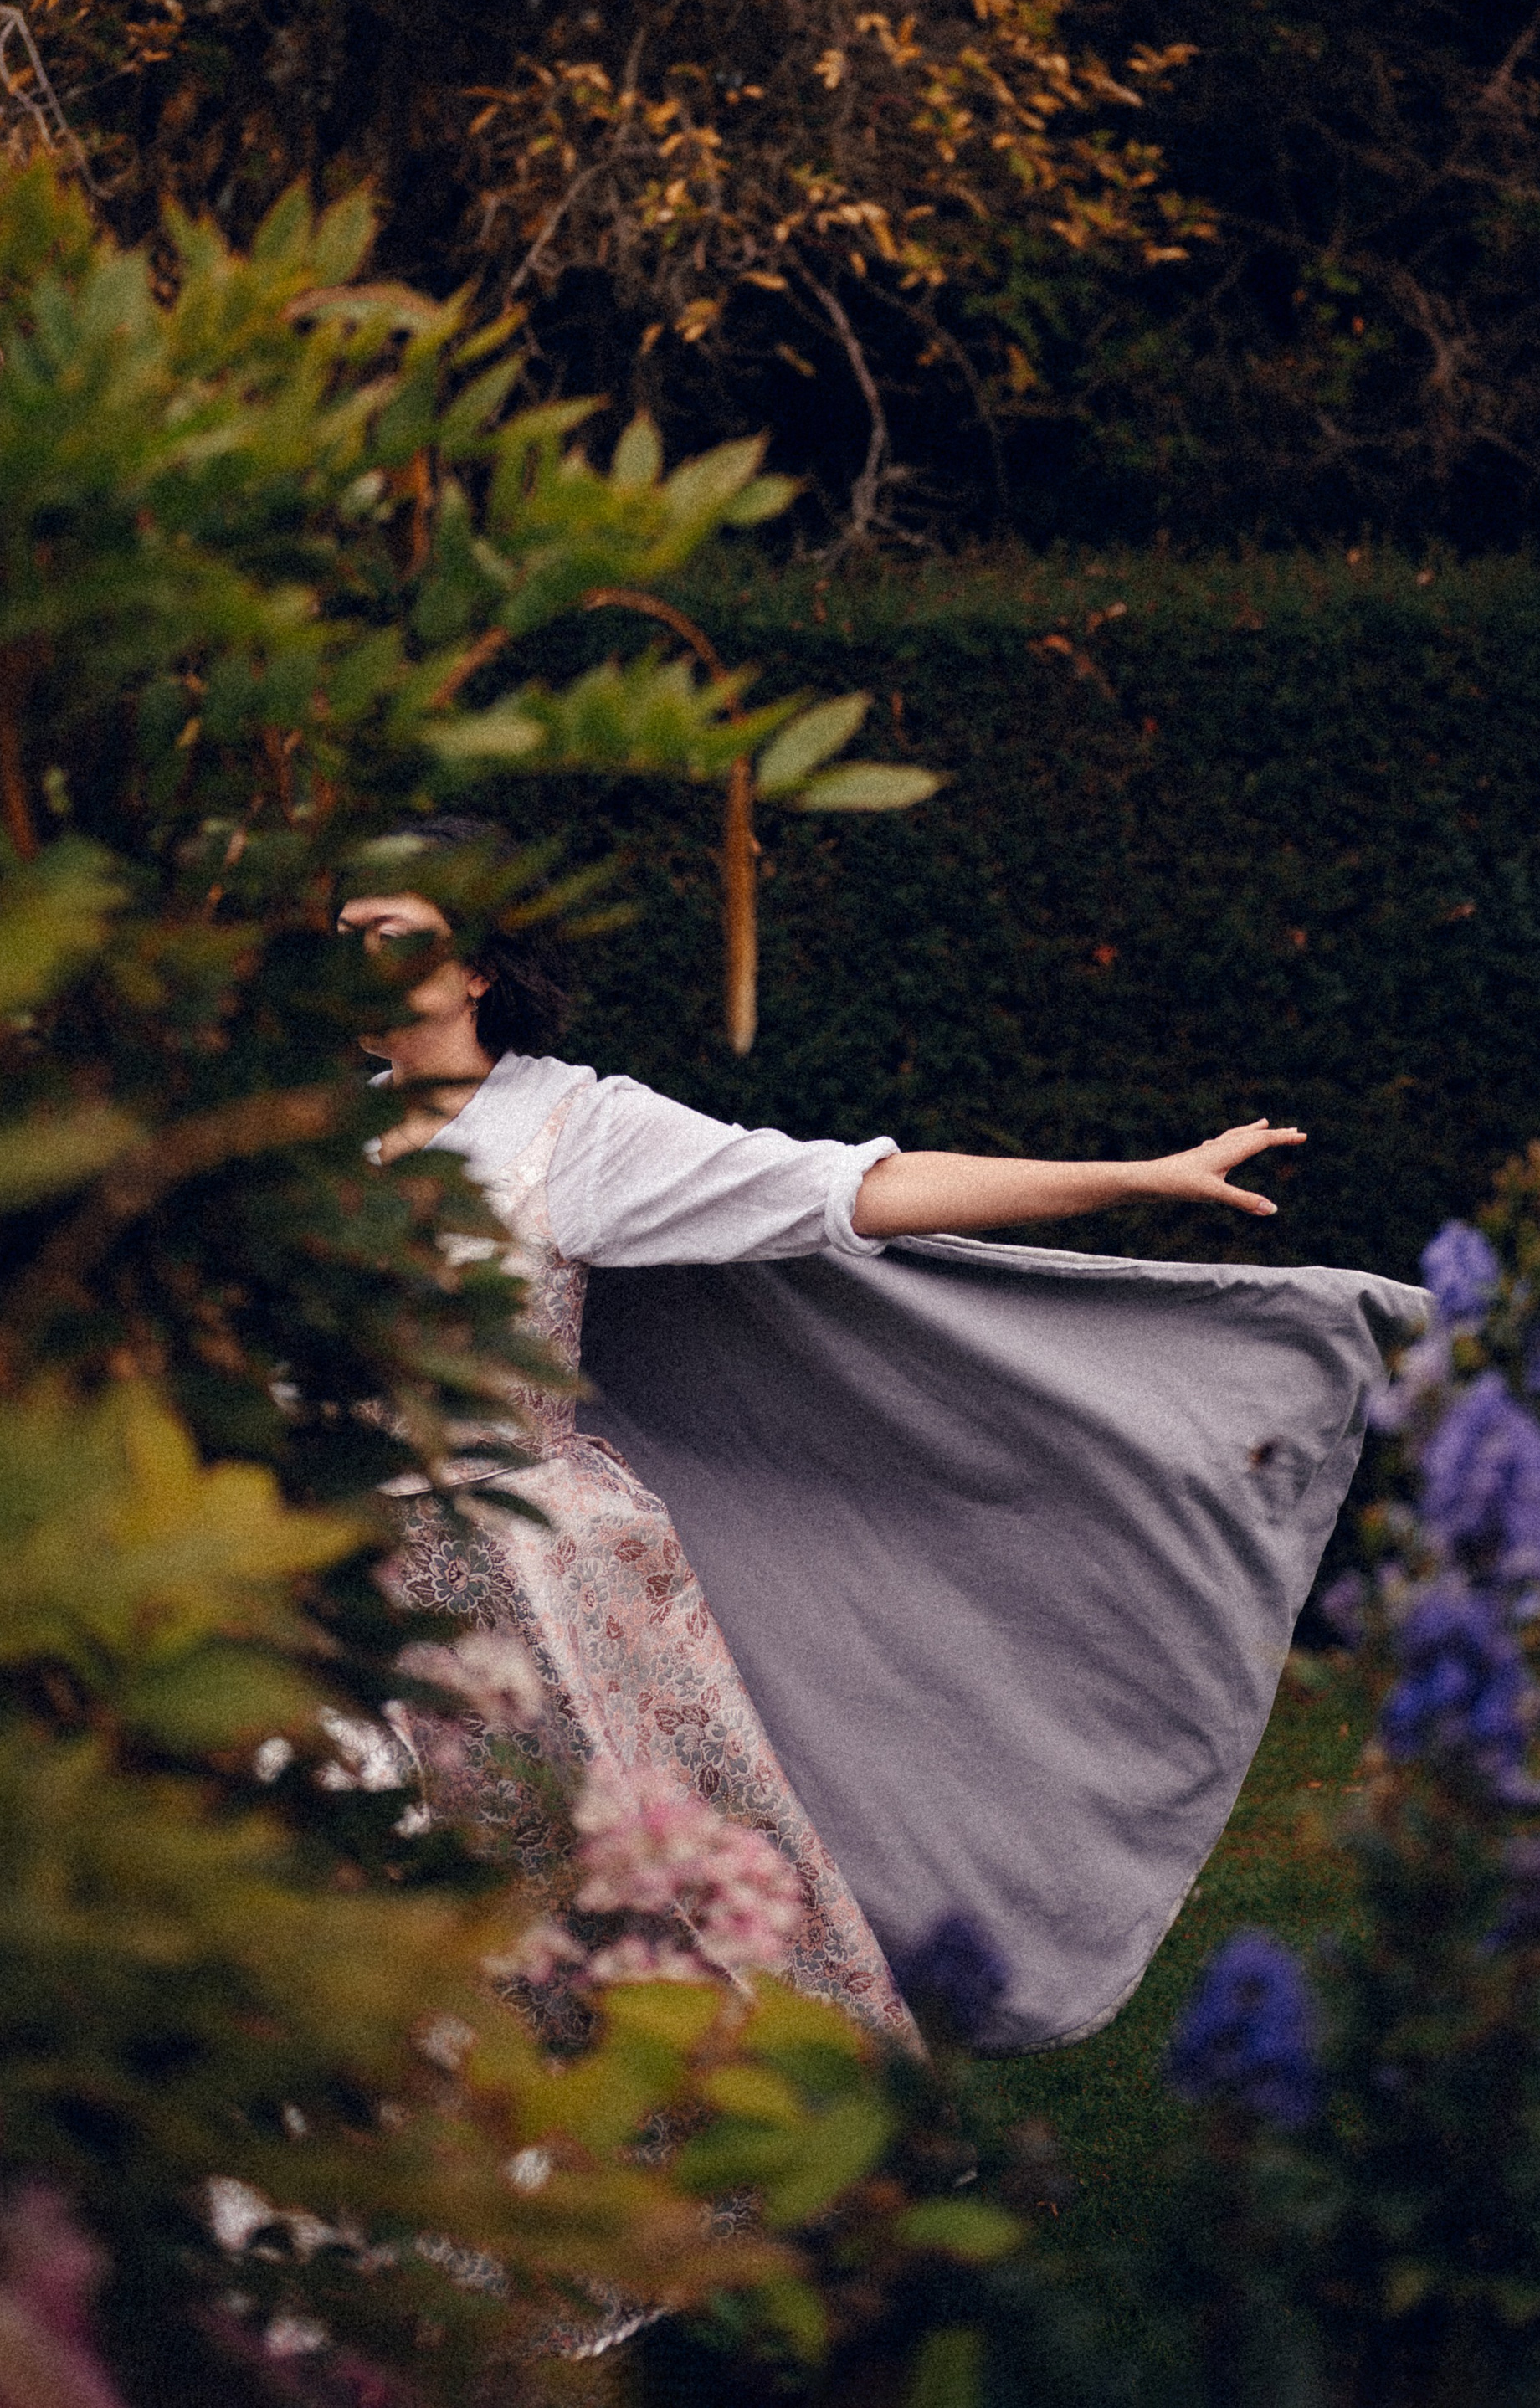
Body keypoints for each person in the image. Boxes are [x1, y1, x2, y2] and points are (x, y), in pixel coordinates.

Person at [345, 866, 1427, 2051]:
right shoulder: (306, 1137)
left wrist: (1130, 1179)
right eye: (337, 932)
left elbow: (851, 1187)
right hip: (334, 1569)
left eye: (387, 934)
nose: (348, 960)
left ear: (477, 966)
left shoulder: (571, 1130)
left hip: (533, 1578)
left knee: (610, 1891)